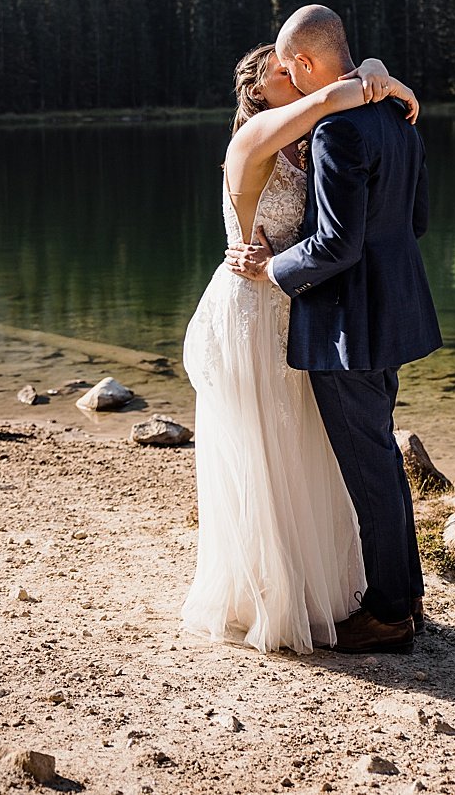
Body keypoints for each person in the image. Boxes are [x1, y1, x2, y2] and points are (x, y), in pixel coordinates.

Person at [182, 42, 418, 653]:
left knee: (312, 454)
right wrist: (382, 80)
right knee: (266, 452)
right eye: (279, 72)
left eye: (294, 66)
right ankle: (275, 594)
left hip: (306, 307)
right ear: (259, 90)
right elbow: (338, 91)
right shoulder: (257, 133)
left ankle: (341, 591)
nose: (291, 74)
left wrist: (376, 77)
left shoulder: (313, 135)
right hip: (254, 309)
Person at [229, 4, 443, 654]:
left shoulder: (335, 133)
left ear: (302, 64)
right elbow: (419, 219)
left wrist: (272, 272)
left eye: (288, 64)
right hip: (394, 314)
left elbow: (335, 247)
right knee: (381, 460)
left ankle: (387, 612)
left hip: (347, 326)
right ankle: (405, 595)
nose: (285, 74)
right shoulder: (398, 119)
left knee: (372, 467)